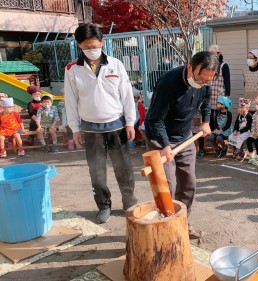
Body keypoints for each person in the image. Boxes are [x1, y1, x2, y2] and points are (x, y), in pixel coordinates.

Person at [64, 23, 138, 224]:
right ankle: (103, 206)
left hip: (117, 125)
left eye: (94, 45)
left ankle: (129, 203)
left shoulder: (116, 64)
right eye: (86, 47)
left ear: (102, 42)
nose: (91, 50)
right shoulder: (72, 69)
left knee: (124, 168)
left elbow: (127, 96)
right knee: (96, 172)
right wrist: (75, 129)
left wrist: (131, 122)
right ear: (79, 45)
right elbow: (70, 101)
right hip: (90, 128)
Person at [145, 51, 216, 239]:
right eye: (201, 79)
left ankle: (182, 222)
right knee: (166, 185)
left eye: (207, 81)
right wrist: (165, 145)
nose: (203, 83)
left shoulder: (206, 83)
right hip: (160, 137)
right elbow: (154, 119)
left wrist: (206, 121)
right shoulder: (168, 83)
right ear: (190, 68)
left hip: (185, 137)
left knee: (188, 183)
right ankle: (166, 226)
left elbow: (207, 100)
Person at [208, 45, 231, 119]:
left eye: (213, 53)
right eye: (210, 53)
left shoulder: (224, 66)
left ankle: (220, 129)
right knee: (210, 114)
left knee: (220, 115)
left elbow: (227, 81)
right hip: (210, 92)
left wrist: (227, 95)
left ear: (218, 54)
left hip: (220, 93)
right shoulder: (208, 65)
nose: (212, 55)